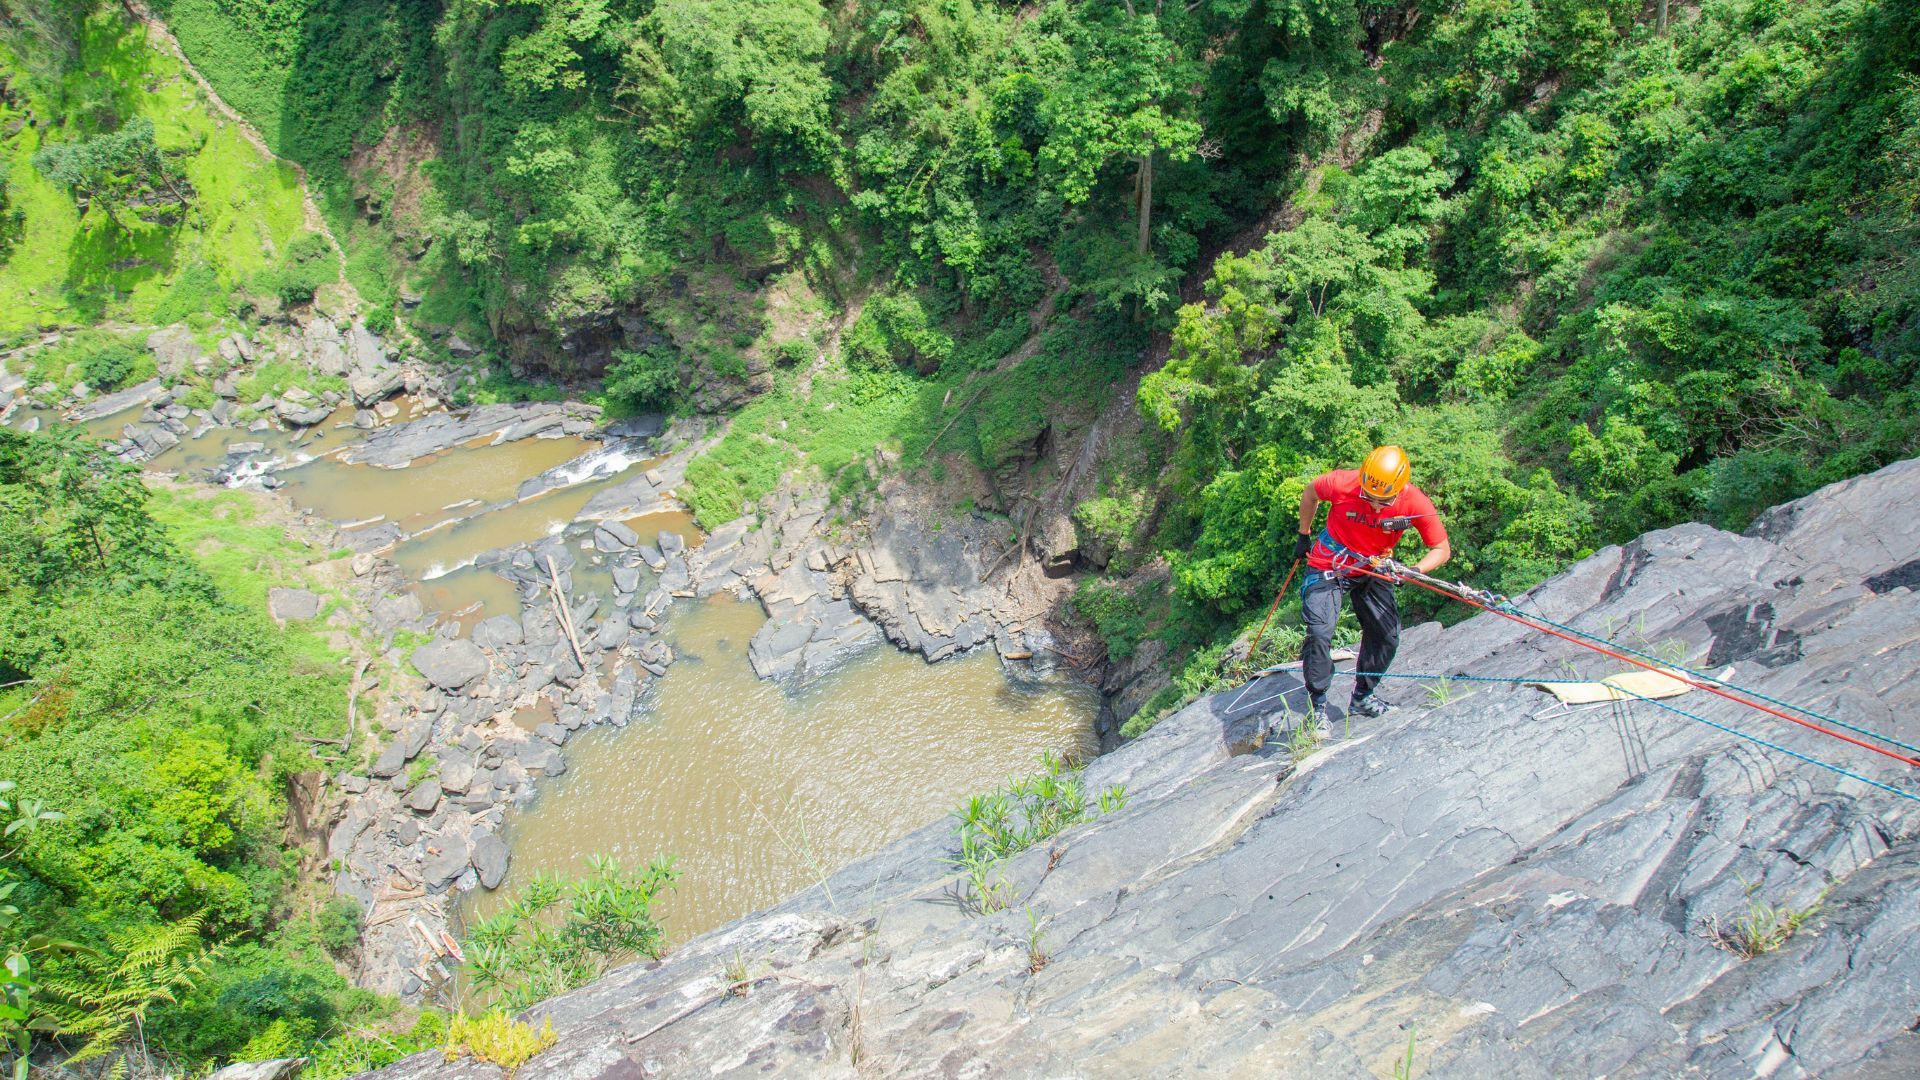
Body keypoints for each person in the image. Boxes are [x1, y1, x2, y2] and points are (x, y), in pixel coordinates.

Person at [1287, 445, 1450, 739]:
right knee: (1320, 632)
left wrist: (1413, 570)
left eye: (1383, 501)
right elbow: (1311, 492)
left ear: (1399, 490)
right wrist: (1304, 532)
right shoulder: (1342, 483)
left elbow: (1441, 549)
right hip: (1331, 561)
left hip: (1373, 566)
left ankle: (1363, 697)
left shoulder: (1415, 503)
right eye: (1369, 497)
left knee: (1386, 634)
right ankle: (1318, 707)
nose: (1375, 506)